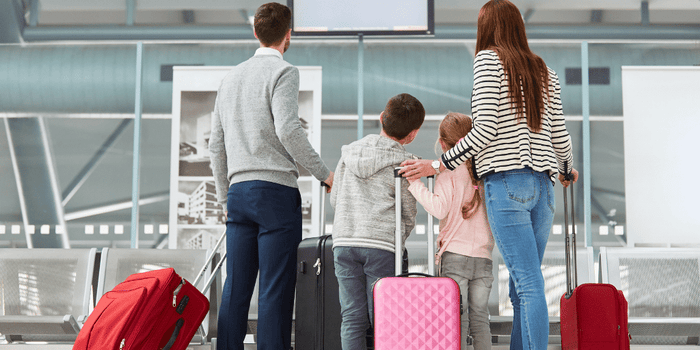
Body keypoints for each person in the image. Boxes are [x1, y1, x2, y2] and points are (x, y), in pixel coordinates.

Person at [400, 1, 579, 349]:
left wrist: (439, 164)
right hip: (544, 188)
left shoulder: (488, 62)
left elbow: (484, 130)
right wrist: (565, 168)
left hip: (508, 183)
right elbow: (560, 133)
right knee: (522, 284)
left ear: (487, 27)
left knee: (527, 283)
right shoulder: (545, 71)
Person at [208, 3, 334, 350]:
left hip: (238, 193)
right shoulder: (284, 72)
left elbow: (215, 146)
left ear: (255, 33)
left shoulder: (229, 78)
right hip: (275, 193)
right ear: (288, 35)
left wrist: (224, 197)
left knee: (236, 286)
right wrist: (325, 175)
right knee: (274, 288)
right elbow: (289, 130)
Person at [330, 93, 425, 350]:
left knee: (351, 316)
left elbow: (335, 199)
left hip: (344, 241)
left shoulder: (348, 154)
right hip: (381, 244)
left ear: (382, 118)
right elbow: (408, 212)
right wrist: (397, 238)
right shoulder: (406, 164)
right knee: (383, 317)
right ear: (413, 133)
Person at [407, 112, 494, 350]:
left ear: (443, 144)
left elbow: (438, 208)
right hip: (484, 258)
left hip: (455, 256)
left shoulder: (449, 171)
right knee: (480, 319)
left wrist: (414, 183)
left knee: (457, 319)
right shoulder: (486, 172)